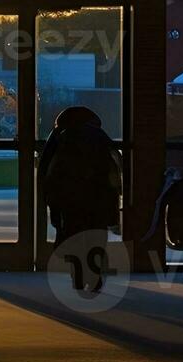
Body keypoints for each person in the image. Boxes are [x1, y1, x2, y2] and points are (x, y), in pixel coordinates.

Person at [37, 106, 121, 291]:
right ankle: (95, 275)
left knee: (73, 235)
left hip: (70, 198)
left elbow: (47, 171)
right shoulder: (100, 137)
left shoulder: (60, 137)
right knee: (96, 238)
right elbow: (114, 168)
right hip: (98, 197)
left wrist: (51, 200)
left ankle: (77, 275)